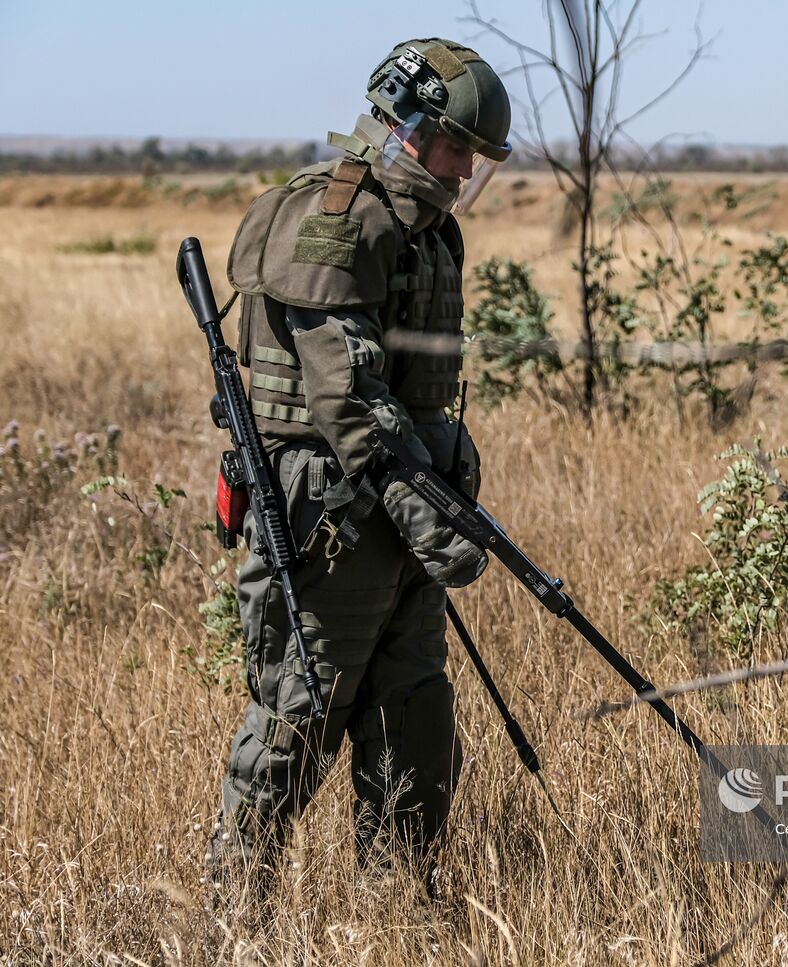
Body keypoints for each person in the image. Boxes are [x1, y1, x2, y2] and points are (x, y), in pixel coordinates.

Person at [207, 38, 512, 899]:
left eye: (478, 157)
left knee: (413, 714)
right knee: (299, 716)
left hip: (404, 503)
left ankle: (397, 911)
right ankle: (232, 914)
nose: (466, 172)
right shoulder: (338, 220)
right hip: (331, 520)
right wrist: (436, 523)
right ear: (407, 127)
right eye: (457, 148)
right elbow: (351, 402)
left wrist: (438, 498)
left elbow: (414, 398)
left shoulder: (424, 226)